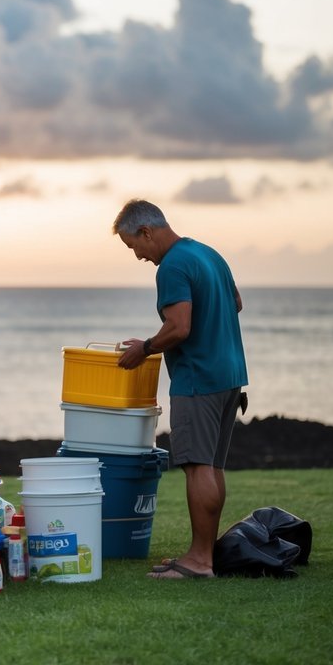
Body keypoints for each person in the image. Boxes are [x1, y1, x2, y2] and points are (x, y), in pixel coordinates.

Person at [113, 199, 248, 580]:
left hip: (197, 379)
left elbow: (179, 327)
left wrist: (146, 348)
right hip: (230, 374)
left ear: (146, 232)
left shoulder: (171, 266)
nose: (137, 255)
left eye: (133, 246)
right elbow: (235, 302)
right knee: (213, 466)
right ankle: (206, 553)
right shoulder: (207, 253)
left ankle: (200, 561)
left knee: (196, 467)